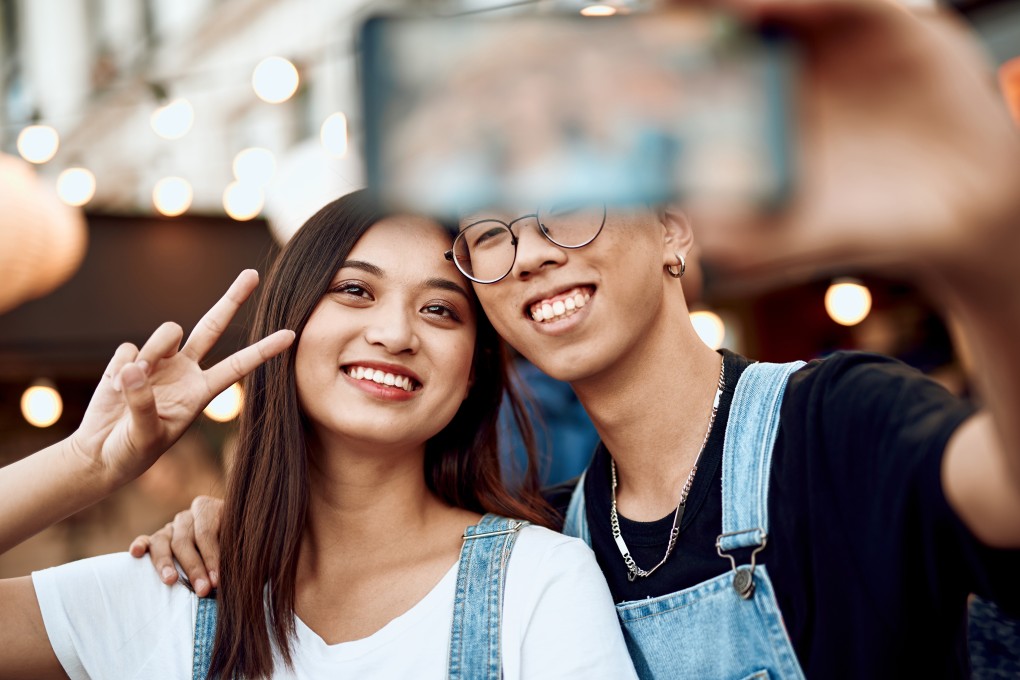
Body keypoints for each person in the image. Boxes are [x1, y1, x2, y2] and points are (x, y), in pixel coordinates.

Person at [139, 0, 1020, 677]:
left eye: (569, 203)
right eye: (491, 234)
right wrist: (244, 533)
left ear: (675, 229)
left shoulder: (832, 424)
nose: (531, 256)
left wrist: (988, 244)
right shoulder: (544, 536)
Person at [0, 192, 637, 679]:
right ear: (291, 322)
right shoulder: (172, 590)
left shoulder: (539, 582)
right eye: (355, 290)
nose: (395, 333)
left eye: (440, 309)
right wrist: (89, 464)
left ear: (473, 369)